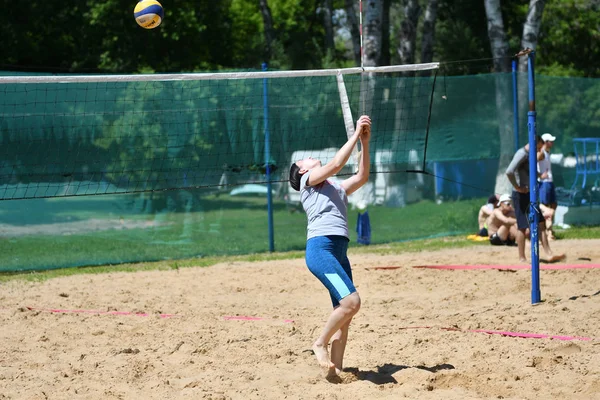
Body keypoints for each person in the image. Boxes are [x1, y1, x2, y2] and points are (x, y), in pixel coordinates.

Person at [289, 115, 371, 379]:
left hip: (339, 251)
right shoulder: (308, 183)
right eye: (305, 160)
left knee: (344, 314)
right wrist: (356, 134)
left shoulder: (334, 187)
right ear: (302, 171)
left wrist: (365, 144)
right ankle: (319, 343)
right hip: (321, 250)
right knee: (352, 302)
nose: (310, 158)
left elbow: (362, 176)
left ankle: (336, 373)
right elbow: (337, 162)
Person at [506, 135, 565, 263]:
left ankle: (549, 254)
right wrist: (517, 187)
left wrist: (539, 175)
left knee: (541, 222)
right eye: (538, 148)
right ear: (535, 143)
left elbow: (528, 171)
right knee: (522, 226)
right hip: (520, 195)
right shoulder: (521, 154)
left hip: (530, 195)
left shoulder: (530, 155)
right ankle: (522, 258)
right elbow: (509, 171)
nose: (539, 151)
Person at [537, 133, 558, 240]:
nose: (552, 142)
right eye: (550, 141)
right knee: (545, 207)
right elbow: (531, 163)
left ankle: (549, 230)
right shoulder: (542, 153)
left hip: (549, 182)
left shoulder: (547, 152)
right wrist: (540, 175)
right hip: (544, 183)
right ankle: (547, 232)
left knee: (553, 205)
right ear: (545, 142)